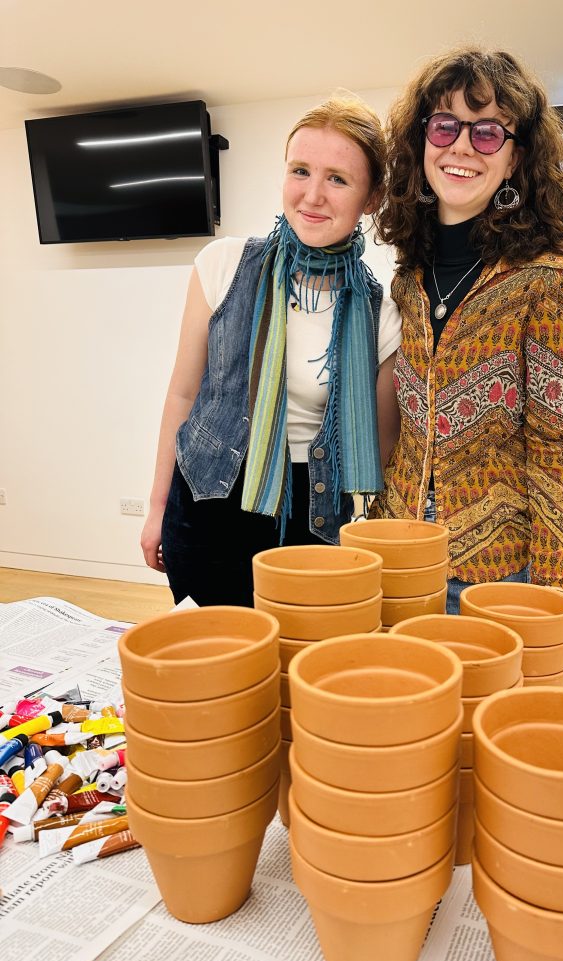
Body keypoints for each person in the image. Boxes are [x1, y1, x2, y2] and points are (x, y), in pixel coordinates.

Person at [140, 96, 401, 607]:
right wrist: (154, 508)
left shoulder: (382, 312)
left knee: (295, 669)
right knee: (214, 668)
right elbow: (183, 394)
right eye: (300, 170)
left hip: (314, 516)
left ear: (371, 198)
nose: (312, 195)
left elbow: (383, 448)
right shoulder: (223, 263)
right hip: (208, 501)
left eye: (338, 179)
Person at [368, 48, 563, 612]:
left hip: (495, 573)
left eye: (488, 132)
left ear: (515, 159)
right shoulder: (408, 276)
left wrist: (550, 584)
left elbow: (556, 443)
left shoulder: (543, 278)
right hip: (399, 553)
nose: (462, 146)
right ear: (423, 142)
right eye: (445, 126)